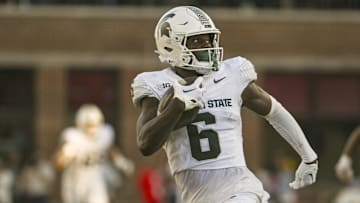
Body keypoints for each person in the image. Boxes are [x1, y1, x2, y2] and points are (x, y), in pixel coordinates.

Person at [131, 6, 318, 203]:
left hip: (239, 188)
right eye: (197, 41)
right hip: (196, 195)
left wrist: (308, 156)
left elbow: (274, 111)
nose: (207, 46)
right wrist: (176, 107)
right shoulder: (156, 85)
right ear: (171, 45)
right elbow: (145, 144)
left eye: (209, 39)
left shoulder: (231, 74)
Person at [54, 104, 134, 203]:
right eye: (89, 125)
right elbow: (58, 163)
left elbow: (110, 151)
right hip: (75, 177)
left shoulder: (105, 134)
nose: (92, 128)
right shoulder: (73, 136)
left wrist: (121, 162)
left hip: (96, 176)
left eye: (95, 124)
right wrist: (65, 157)